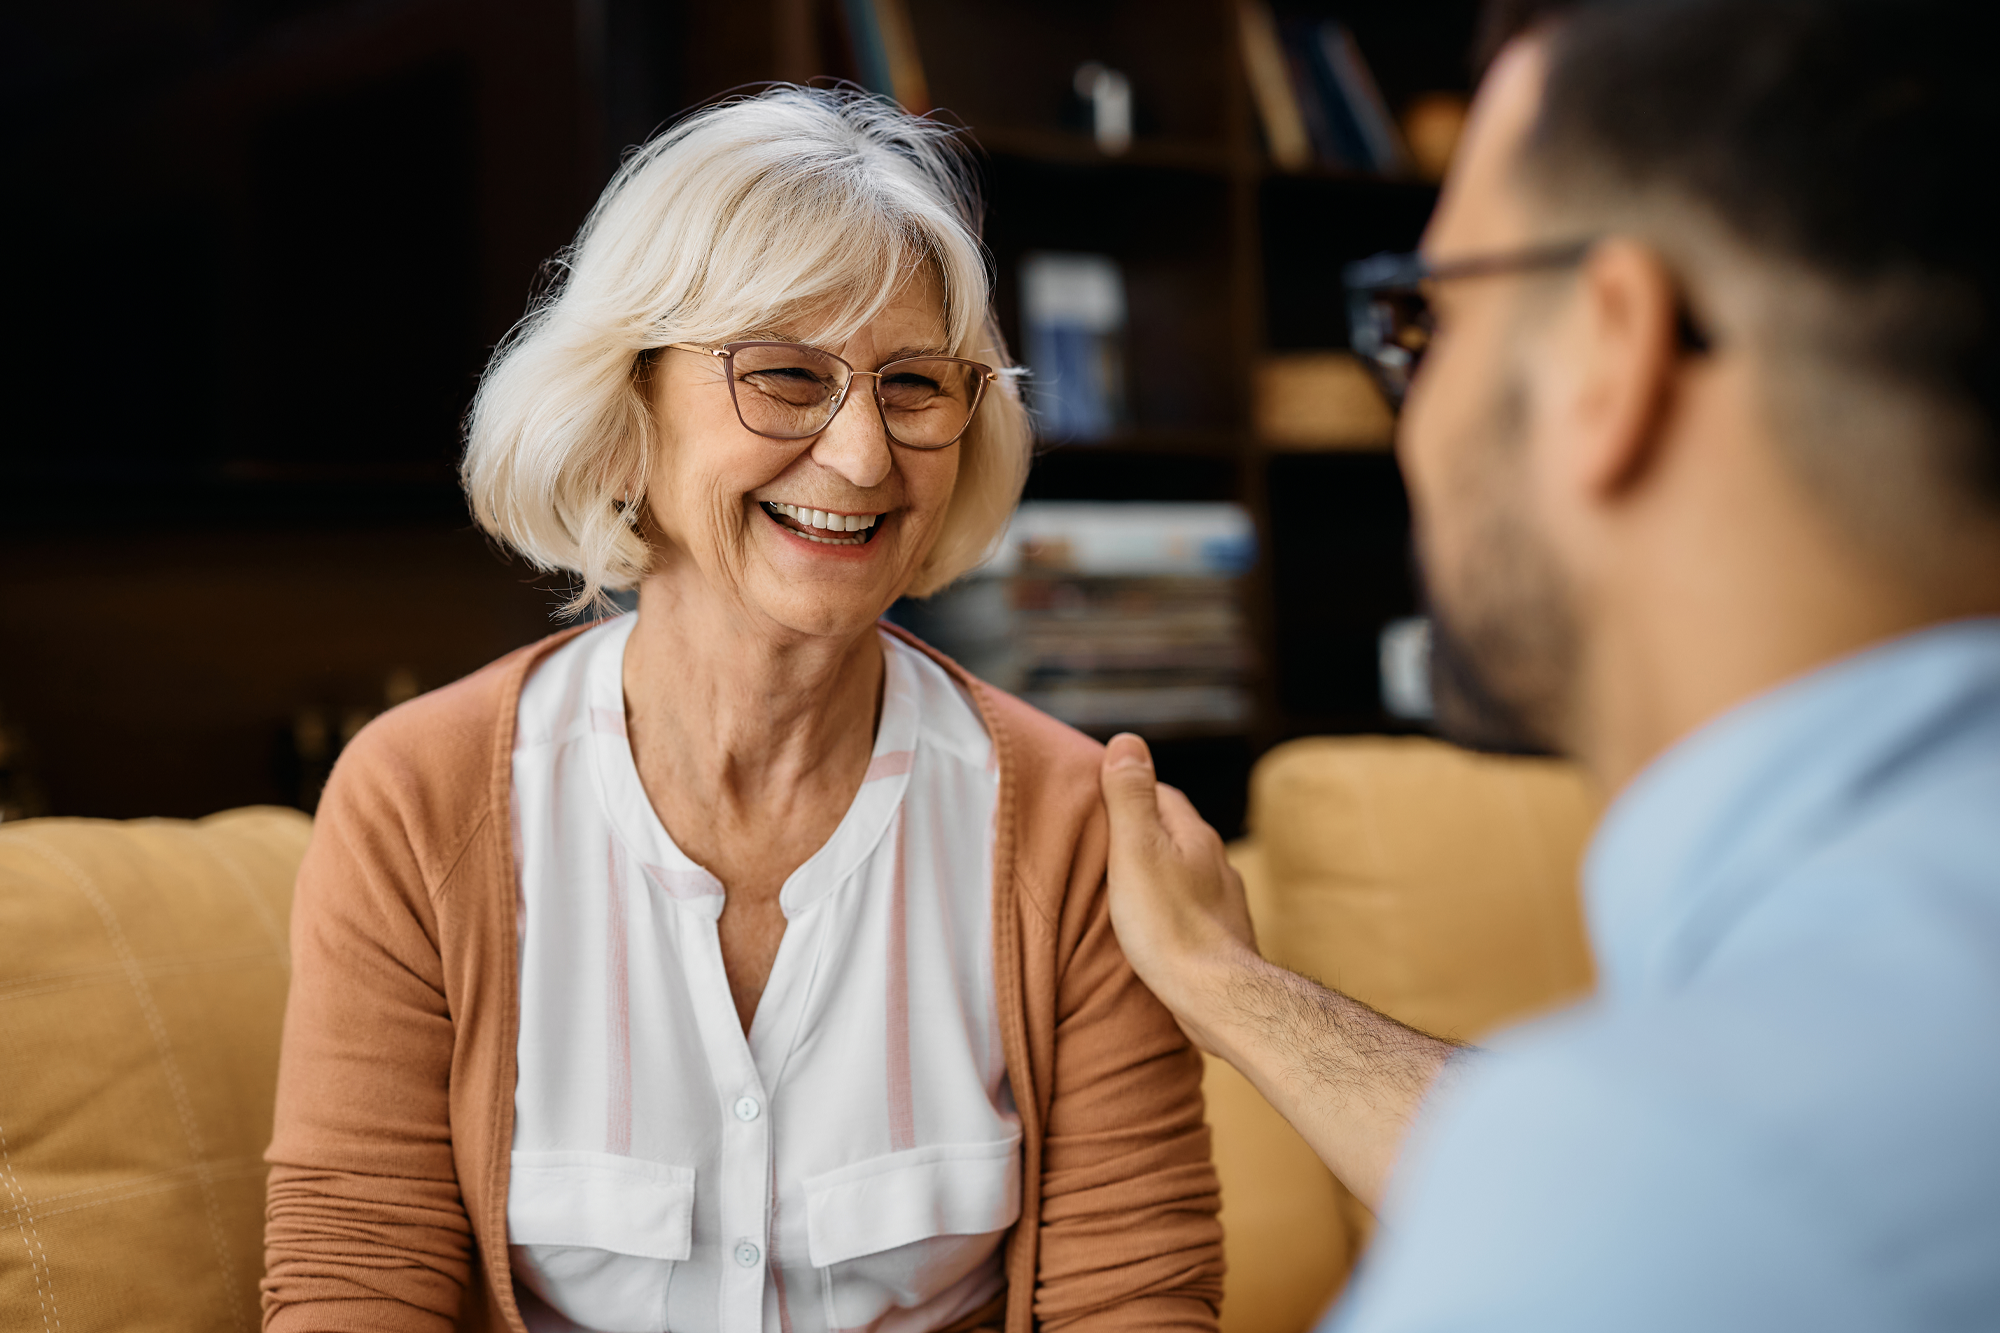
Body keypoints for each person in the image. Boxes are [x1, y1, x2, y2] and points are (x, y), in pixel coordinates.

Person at [1097, 0, 2000, 1328]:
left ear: (1606, 351)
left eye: (1422, 322)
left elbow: (1664, 1202)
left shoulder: (1654, 1190)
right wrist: (1232, 987)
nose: (1410, 423)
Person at [262, 88, 1223, 1333]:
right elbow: (355, 1284)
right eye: (783, 375)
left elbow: (1133, 1306)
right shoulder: (418, 801)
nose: (864, 456)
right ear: (622, 420)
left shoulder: (1077, 830)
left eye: (915, 386)